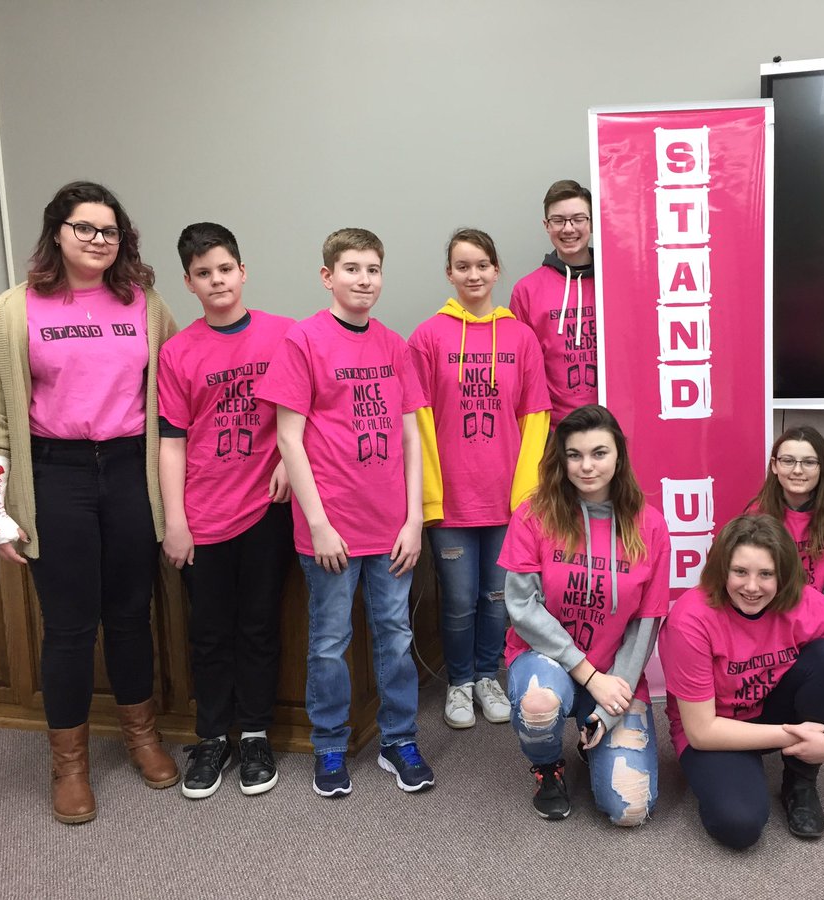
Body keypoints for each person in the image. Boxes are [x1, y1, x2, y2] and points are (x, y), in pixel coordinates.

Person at [0, 181, 180, 824]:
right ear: (57, 232)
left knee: (129, 614)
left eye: (109, 231)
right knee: (67, 625)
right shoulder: (12, 310)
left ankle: (142, 735)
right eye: (84, 228)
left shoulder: (144, 305)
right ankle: (69, 764)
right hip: (55, 474)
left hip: (128, 471)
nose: (97, 240)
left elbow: (176, 397)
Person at [257, 227, 434, 797]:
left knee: (396, 635)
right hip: (329, 530)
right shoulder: (303, 341)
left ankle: (398, 738)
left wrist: (412, 519)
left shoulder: (393, 344)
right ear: (328, 276)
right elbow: (289, 439)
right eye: (352, 268)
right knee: (329, 642)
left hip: (390, 529)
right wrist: (318, 524)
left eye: (374, 269)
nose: (365, 279)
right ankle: (330, 745)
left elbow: (411, 437)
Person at [158, 222, 296, 799]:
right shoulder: (178, 351)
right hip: (204, 514)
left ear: (242, 271)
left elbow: (305, 413)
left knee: (261, 626)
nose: (216, 281)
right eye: (202, 273)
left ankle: (257, 733)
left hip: (266, 511)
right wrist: (175, 521)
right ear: (188, 283)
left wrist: (292, 459)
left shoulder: (285, 336)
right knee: (209, 633)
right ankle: (213, 737)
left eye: (224, 269)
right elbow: (170, 440)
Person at [659, 514, 824, 847]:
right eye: (740, 572)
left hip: (772, 707)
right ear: (722, 570)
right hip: (716, 727)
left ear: (784, 575)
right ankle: (732, 772)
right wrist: (791, 734)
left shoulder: (807, 603)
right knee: (739, 826)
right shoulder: (691, 619)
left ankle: (800, 780)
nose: (752, 587)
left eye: (766, 574)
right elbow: (701, 731)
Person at [499, 404, 670, 825]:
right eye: (574, 455)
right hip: (549, 661)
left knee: (630, 809)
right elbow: (521, 606)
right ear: (562, 459)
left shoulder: (649, 526)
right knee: (539, 705)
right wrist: (586, 673)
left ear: (618, 456)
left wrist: (612, 702)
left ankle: (591, 736)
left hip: (615, 674)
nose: (586, 466)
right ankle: (547, 767)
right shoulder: (534, 514)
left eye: (599, 453)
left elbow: (645, 624)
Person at [409, 229, 550, 729]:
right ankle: (460, 683)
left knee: (498, 600)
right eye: (462, 266)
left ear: (496, 271)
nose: (473, 275)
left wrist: (527, 495)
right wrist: (427, 494)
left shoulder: (520, 337)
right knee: (460, 601)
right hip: (451, 500)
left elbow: (537, 417)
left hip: (506, 499)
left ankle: (489, 676)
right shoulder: (428, 337)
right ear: (449, 273)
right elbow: (417, 419)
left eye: (482, 265)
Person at [747, 425, 824, 638]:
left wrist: (803, 628)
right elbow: (749, 580)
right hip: (772, 625)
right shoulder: (757, 512)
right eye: (788, 460)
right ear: (774, 466)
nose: (797, 470)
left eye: (809, 462)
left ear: (822, 468)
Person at [510, 180, 597, 425]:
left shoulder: (615, 281)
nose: (568, 229)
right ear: (546, 226)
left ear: (591, 221)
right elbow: (522, 371)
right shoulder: (526, 291)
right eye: (558, 220)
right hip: (554, 431)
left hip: (614, 427)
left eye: (578, 218)